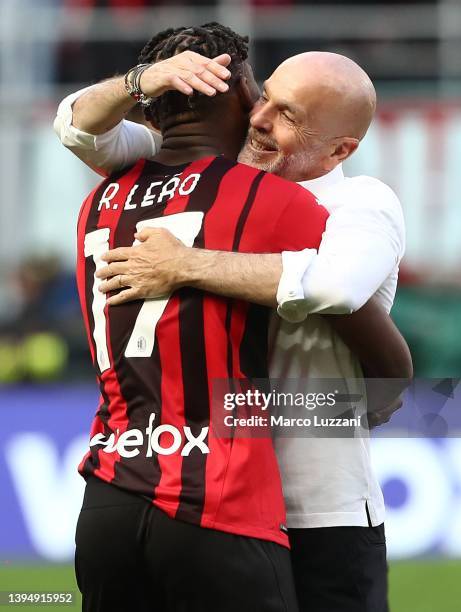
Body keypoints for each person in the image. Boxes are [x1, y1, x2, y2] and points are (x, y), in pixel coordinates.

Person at [55, 33, 413, 612]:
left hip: (320, 511)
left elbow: (338, 290)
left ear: (340, 150)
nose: (259, 118)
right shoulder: (219, 184)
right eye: (265, 97)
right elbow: (76, 127)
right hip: (220, 499)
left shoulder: (359, 204)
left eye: (287, 116)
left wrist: (187, 265)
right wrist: (140, 81)